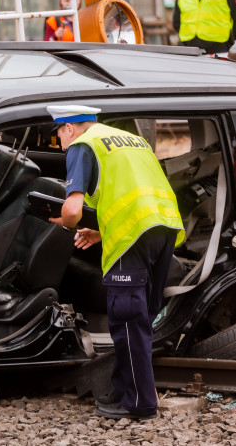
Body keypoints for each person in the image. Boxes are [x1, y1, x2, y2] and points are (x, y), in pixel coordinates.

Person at [46, 105, 185, 420]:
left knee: (127, 320)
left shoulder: (83, 146)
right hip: (162, 228)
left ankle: (139, 405)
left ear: (69, 127)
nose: (60, 141)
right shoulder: (126, 138)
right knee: (142, 319)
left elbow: (72, 210)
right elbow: (131, 193)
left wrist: (63, 223)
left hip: (131, 237)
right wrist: (99, 232)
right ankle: (126, 390)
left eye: (58, 133)